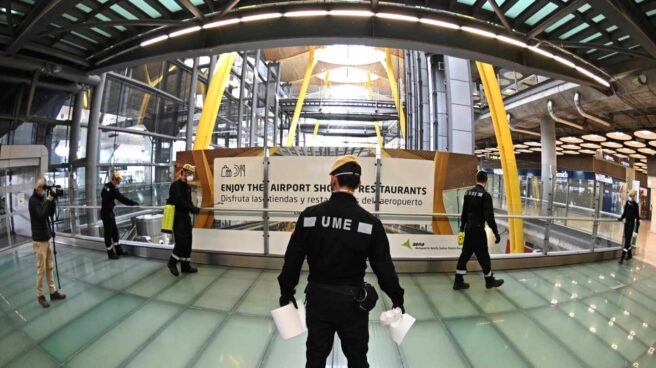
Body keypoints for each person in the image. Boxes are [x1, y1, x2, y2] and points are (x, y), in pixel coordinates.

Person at [278, 155, 405, 368]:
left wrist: (286, 291)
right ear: (359, 184)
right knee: (357, 358)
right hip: (353, 303)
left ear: (334, 181)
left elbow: (293, 258)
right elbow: (383, 266)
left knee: (316, 357)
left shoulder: (310, 216)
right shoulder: (370, 222)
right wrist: (397, 298)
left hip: (318, 299)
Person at [453, 170, 504, 290]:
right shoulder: (485, 196)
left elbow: (464, 213)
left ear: (476, 179)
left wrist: (461, 228)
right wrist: (496, 232)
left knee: (465, 255)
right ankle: (489, 281)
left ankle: (458, 281)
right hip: (478, 231)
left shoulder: (467, 193)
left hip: (468, 230)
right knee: (484, 256)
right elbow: (489, 216)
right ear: (486, 181)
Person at [29, 177, 66, 308]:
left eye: (45, 189)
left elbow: (50, 213)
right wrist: (49, 199)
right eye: (42, 189)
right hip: (39, 241)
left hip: (47, 237)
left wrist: (53, 200)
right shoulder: (33, 201)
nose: (44, 191)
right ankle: (40, 295)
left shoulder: (43, 198)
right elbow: (41, 216)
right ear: (37, 188)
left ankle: (53, 291)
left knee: (50, 267)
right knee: (41, 269)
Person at [167, 163, 200, 276]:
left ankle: (185, 266)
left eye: (191, 174)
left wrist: (194, 209)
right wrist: (192, 208)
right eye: (188, 173)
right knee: (181, 242)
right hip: (178, 217)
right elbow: (179, 202)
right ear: (182, 173)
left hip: (186, 217)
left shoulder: (188, 187)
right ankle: (172, 262)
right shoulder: (175, 185)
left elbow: (189, 202)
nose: (190, 176)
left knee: (188, 242)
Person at [101, 172, 138, 260]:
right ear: (114, 179)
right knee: (108, 233)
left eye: (120, 180)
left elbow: (103, 195)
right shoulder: (113, 189)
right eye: (118, 180)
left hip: (109, 212)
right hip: (106, 213)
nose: (119, 182)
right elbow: (122, 199)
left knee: (115, 232)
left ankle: (118, 250)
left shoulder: (107, 186)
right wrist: (133, 203)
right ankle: (110, 253)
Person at [618, 189, 640, 264]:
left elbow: (637, 217)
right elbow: (624, 213)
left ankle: (622, 257)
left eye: (632, 196)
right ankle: (630, 254)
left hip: (631, 224)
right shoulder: (627, 203)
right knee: (627, 239)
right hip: (626, 223)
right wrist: (620, 218)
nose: (630, 197)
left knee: (627, 241)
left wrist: (636, 229)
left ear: (634, 196)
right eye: (630, 196)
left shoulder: (636, 205)